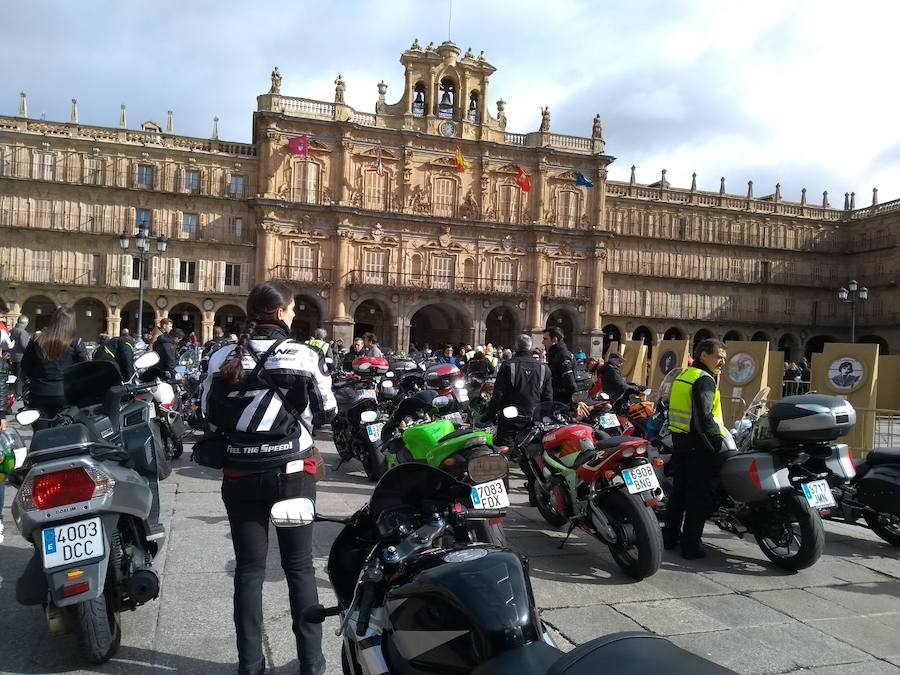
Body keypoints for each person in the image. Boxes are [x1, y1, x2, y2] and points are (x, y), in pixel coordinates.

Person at [202, 281, 334, 675]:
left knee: (249, 571)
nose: (293, 315)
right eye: (292, 309)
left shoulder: (222, 356)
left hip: (240, 473)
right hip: (292, 472)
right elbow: (326, 410)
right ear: (280, 313)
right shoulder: (304, 355)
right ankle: (311, 665)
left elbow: (208, 412)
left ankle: (251, 665)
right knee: (299, 568)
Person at [662, 338, 728, 560]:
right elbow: (704, 419)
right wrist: (716, 445)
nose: (722, 363)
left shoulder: (683, 376)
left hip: (680, 442)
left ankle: (669, 537)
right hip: (699, 446)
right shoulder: (705, 380)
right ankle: (691, 546)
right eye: (719, 357)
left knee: (679, 494)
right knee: (697, 499)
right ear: (704, 356)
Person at [483, 334, 552, 505]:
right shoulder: (544, 368)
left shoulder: (507, 366)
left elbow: (498, 395)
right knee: (533, 455)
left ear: (516, 346)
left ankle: (502, 494)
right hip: (534, 419)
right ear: (529, 347)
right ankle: (536, 494)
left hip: (510, 417)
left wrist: (489, 416)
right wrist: (545, 418)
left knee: (503, 453)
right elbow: (548, 398)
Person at [21, 307, 88, 426]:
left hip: (39, 392)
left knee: (40, 433)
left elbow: (25, 365)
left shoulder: (36, 339)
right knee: (62, 434)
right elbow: (84, 369)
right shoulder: (76, 342)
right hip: (65, 395)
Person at [543, 327, 576, 405]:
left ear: (554, 340)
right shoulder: (555, 355)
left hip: (561, 403)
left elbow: (569, 382)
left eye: (545, 339)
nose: (542, 342)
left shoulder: (563, 356)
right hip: (556, 400)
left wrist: (576, 402)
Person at [10, 315, 31, 398]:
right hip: (21, 358)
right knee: (19, 377)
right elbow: (24, 345)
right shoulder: (23, 332)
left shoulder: (12, 330)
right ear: (25, 323)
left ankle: (11, 393)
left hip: (12, 356)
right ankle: (18, 394)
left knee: (13, 376)